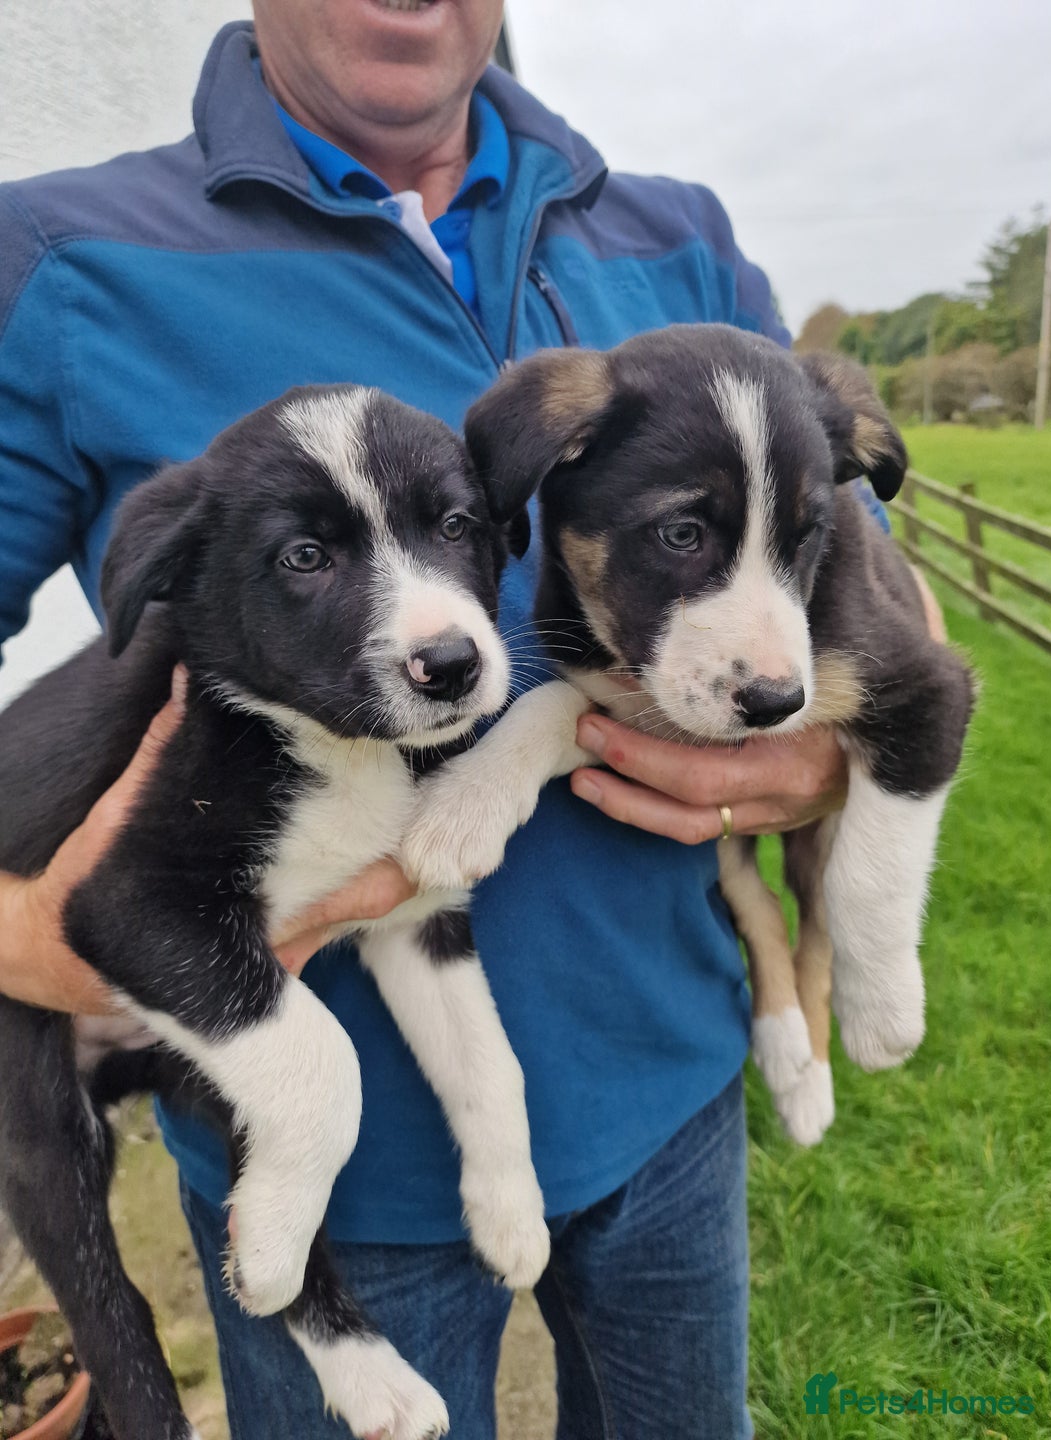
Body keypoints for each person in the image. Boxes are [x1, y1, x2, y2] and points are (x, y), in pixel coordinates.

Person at [0, 5, 855, 1437]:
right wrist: (26, 933)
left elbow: (857, 576)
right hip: (339, 1175)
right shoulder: (58, 256)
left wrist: (829, 739)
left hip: (675, 1088)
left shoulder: (678, 235)